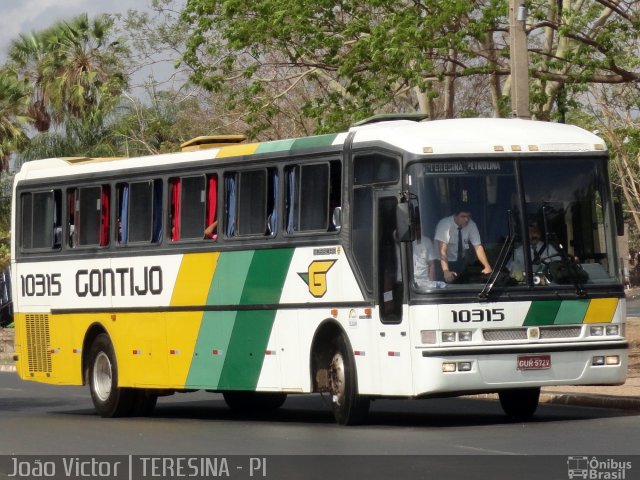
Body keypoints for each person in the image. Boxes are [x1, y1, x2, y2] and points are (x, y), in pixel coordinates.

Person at [435, 207, 492, 283]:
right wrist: (446, 271)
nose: (466, 219)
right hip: (443, 263)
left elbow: (478, 247)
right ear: (455, 216)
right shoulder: (444, 224)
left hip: (460, 262)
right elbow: (442, 251)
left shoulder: (471, 224)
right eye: (463, 216)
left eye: (468, 216)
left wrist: (487, 266)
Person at [412, 222, 437, 289]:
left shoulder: (427, 241)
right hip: (409, 281)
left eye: (419, 229)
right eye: (416, 229)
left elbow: (431, 265)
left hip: (424, 281)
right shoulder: (406, 242)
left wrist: (431, 284)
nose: (417, 231)